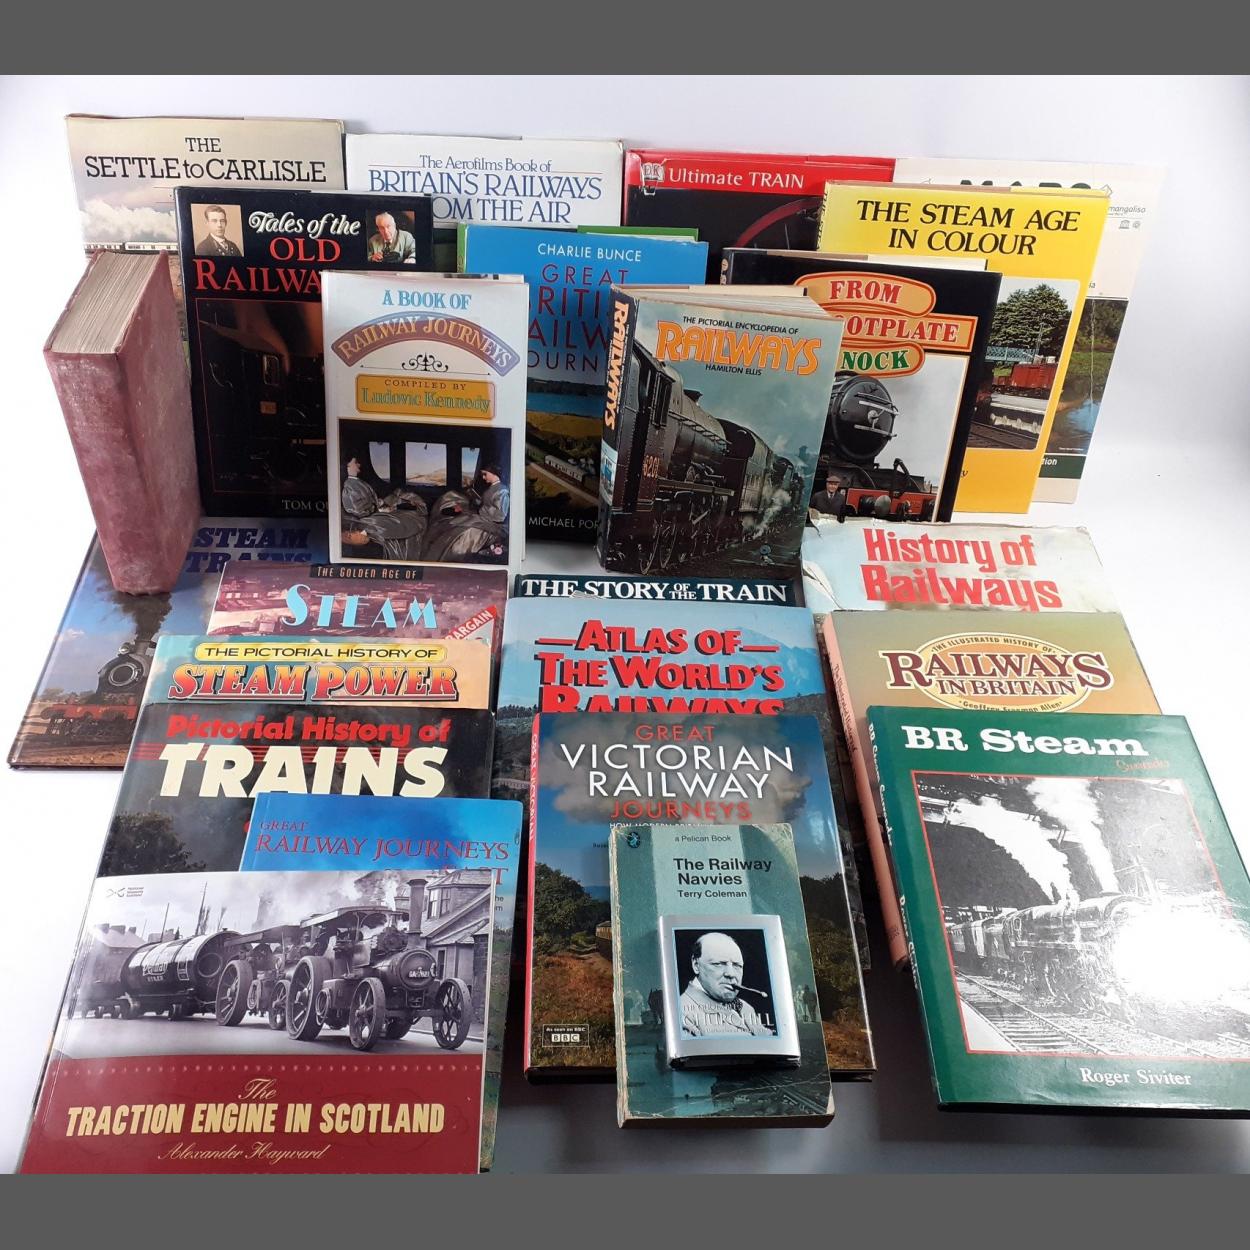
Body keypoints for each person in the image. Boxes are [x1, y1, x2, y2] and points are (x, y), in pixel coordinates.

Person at [679, 932, 774, 1038]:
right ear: (696, 965)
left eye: (737, 965)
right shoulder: (681, 1014)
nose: (731, 974)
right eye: (719, 964)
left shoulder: (745, 1007)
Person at [341, 456, 427, 560]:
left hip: (370, 514)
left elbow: (369, 502)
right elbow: (358, 510)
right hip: (362, 519)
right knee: (398, 522)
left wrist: (383, 506)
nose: (358, 465)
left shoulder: (357, 482)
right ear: (348, 466)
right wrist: (380, 509)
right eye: (355, 463)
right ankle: (364, 532)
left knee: (407, 517)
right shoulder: (350, 485)